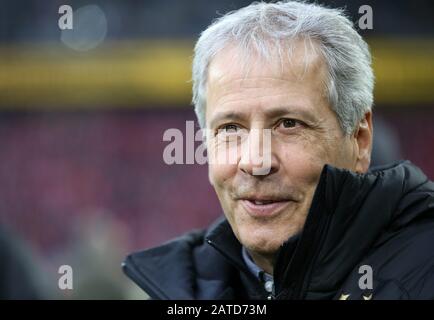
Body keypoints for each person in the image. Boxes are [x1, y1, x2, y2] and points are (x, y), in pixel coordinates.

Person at [123, 1, 434, 300]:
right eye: (231, 128)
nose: (255, 162)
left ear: (360, 139)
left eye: (288, 124)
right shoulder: (176, 290)